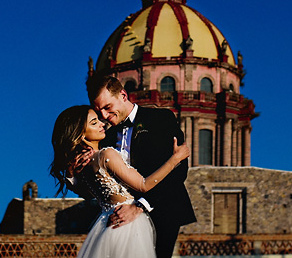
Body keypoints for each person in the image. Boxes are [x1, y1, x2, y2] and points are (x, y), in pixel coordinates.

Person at [50, 105, 190, 258]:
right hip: (127, 224)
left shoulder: (84, 164)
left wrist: (71, 173)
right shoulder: (106, 155)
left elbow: (85, 193)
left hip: (106, 224)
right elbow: (143, 185)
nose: (102, 123)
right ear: (81, 134)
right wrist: (175, 159)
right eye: (94, 122)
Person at [84, 75, 197, 258]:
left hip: (161, 209)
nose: (104, 116)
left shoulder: (160, 119)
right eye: (99, 111)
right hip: (120, 217)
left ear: (123, 95)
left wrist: (140, 206)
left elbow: (178, 171)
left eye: (107, 107)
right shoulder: (106, 136)